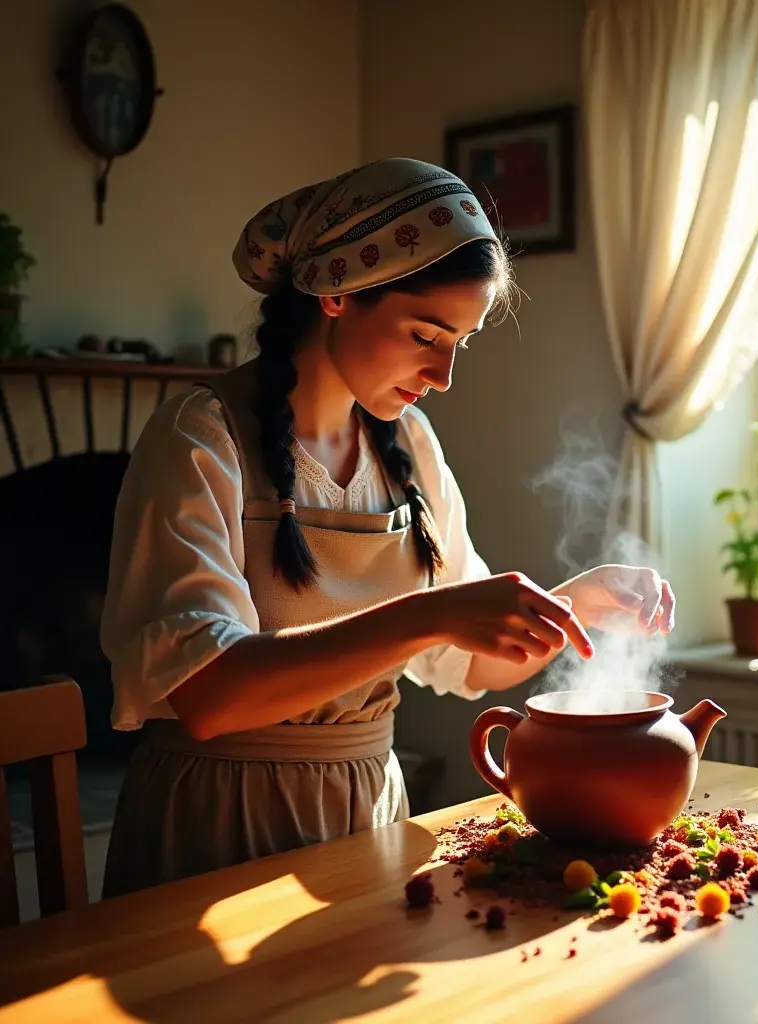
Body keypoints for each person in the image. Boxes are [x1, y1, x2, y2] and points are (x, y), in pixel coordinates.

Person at [99, 157, 675, 898]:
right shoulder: (200, 437)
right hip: (219, 823)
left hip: (369, 817)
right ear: (336, 294)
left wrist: (569, 608)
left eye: (459, 343)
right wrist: (430, 615)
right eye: (425, 334)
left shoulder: (408, 445)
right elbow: (211, 697)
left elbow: (470, 663)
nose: (442, 374)